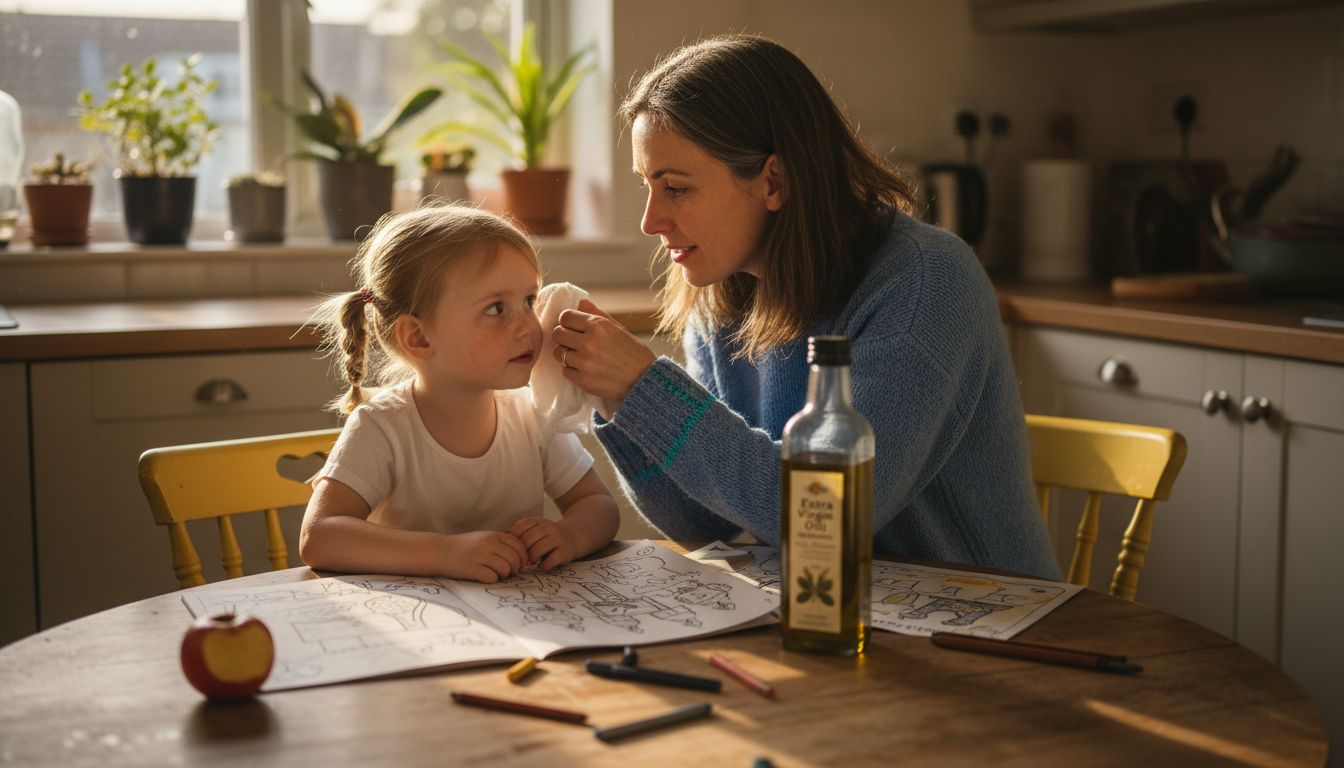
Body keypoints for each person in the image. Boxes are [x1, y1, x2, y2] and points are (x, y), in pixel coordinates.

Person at [551, 35, 1060, 579]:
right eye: (648, 185)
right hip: (837, 611)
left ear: (775, 179)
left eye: (675, 187)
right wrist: (616, 399)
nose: (651, 221)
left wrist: (646, 388)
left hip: (985, 618)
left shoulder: (925, 282)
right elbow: (706, 524)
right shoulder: (723, 288)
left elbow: (826, 515)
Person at [300, 205, 620, 583]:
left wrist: (568, 535)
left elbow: (598, 505)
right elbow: (319, 537)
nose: (527, 327)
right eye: (496, 308)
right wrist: (444, 553)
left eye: (529, 301)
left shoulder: (533, 414)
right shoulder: (382, 425)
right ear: (418, 337)